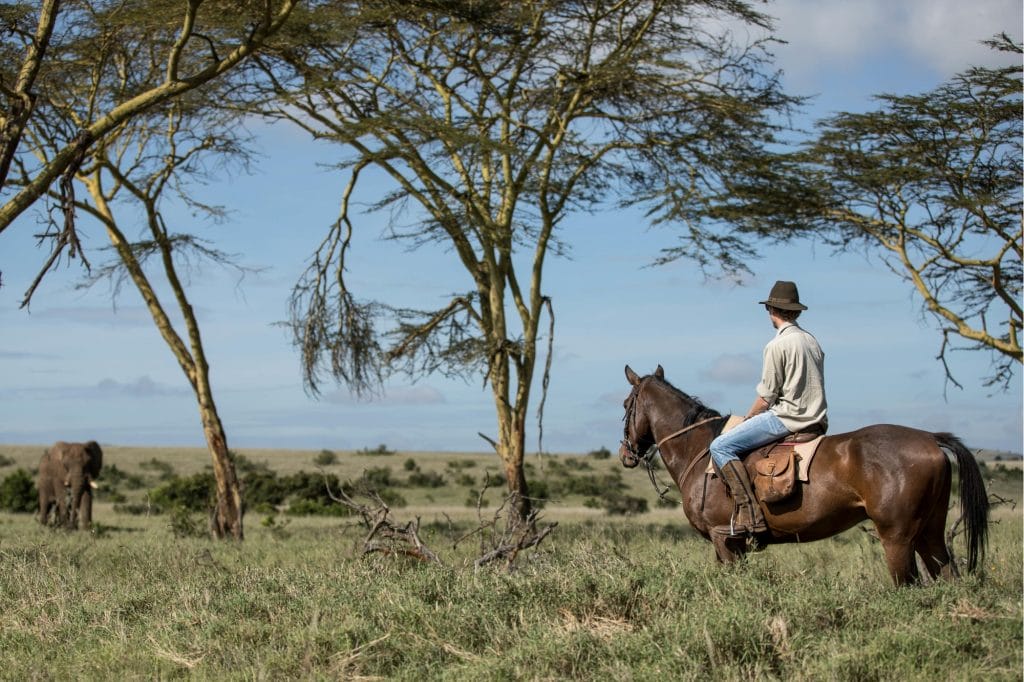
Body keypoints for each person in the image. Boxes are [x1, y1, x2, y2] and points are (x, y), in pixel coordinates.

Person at [710, 280, 828, 539]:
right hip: (818, 420)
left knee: (720, 446)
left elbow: (766, 398)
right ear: (796, 312)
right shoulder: (812, 341)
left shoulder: (776, 345)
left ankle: (750, 514)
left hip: (787, 418)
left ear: (771, 311)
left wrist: (748, 419)